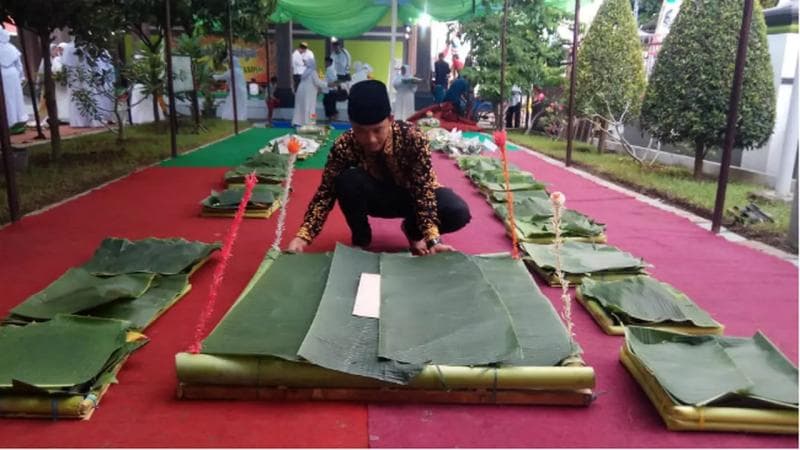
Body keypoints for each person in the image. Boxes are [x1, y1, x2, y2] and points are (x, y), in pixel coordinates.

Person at [287, 80, 471, 256]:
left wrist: (433, 239)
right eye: (361, 131)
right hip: (377, 197)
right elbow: (325, 194)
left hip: (412, 197)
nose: (371, 139)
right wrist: (303, 236)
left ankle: (413, 231)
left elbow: (423, 191)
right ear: (351, 123)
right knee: (346, 181)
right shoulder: (344, 145)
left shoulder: (413, 138)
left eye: (377, 130)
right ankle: (362, 239)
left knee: (457, 212)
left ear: (390, 119)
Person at [0, 29, 29, 129]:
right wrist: (21, 76)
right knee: (16, 97)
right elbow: (19, 65)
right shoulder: (12, 48)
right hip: (13, 74)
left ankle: (9, 121)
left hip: (2, 74)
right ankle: (19, 119)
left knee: (6, 98)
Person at [291, 60, 329, 127]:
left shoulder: (305, 72)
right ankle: (310, 123)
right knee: (310, 108)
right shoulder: (313, 72)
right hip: (309, 93)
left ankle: (298, 122)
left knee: (300, 108)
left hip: (301, 92)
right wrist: (328, 84)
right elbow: (318, 82)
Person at [217, 56, 248, 121]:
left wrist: (211, 76)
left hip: (236, 91)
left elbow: (221, 77)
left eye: (230, 63)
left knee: (230, 104)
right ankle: (239, 118)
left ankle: (228, 117)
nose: (229, 65)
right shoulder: (240, 71)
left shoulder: (232, 71)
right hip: (242, 91)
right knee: (239, 105)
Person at [322, 57, 338, 121]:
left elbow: (334, 80)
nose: (324, 64)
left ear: (329, 62)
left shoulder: (329, 69)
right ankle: (332, 118)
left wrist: (329, 85)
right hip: (331, 91)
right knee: (330, 105)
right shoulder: (331, 69)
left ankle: (332, 119)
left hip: (330, 91)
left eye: (325, 62)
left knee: (329, 106)